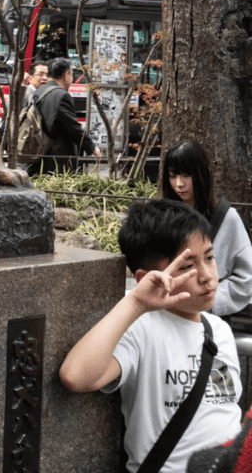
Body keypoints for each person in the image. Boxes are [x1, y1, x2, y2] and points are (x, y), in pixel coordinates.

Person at [60, 199, 243, 473]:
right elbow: (75, 376)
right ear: (148, 277)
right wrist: (136, 303)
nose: (207, 276)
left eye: (209, 257)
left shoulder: (220, 331)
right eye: (187, 267)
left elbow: (224, 412)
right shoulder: (142, 329)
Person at [161, 139, 252, 318]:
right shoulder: (164, 217)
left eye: (186, 175)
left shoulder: (228, 218)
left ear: (204, 173)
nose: (179, 184)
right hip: (168, 311)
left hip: (211, 317)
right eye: (173, 176)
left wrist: (210, 301)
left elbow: (246, 277)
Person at [29, 57, 100, 175]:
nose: (72, 80)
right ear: (66, 75)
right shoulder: (61, 95)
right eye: (72, 75)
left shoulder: (38, 91)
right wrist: (92, 148)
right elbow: (73, 127)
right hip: (56, 160)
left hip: (37, 154)